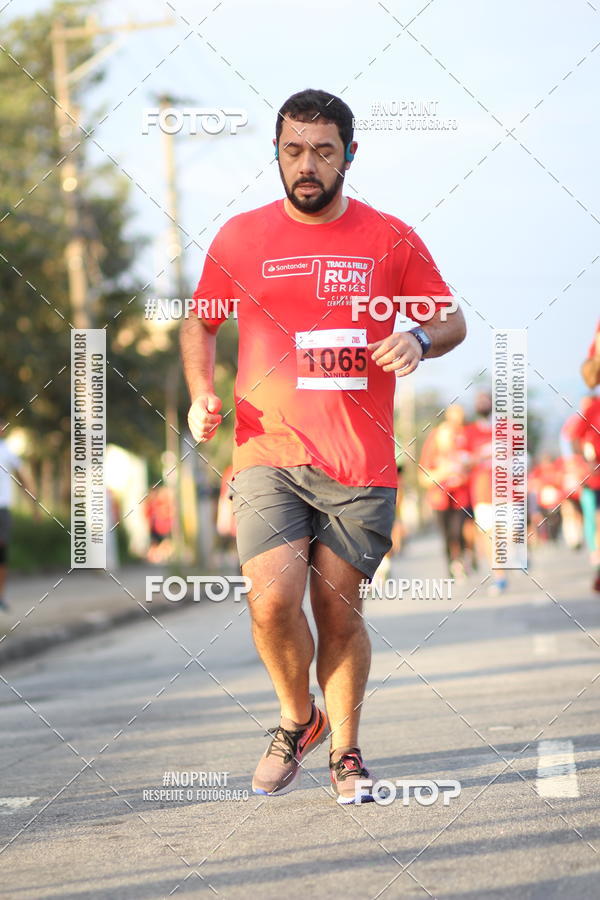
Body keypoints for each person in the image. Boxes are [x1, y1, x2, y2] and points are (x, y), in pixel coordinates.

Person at [181, 89, 466, 803]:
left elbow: (451, 318)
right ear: (276, 154)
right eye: (293, 151)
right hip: (267, 452)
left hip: (359, 462)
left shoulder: (390, 238)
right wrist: (200, 391)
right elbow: (201, 323)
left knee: (339, 612)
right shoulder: (241, 238)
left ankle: (347, 750)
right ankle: (295, 716)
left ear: (349, 155)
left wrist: (419, 337)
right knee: (271, 600)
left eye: (323, 151)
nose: (307, 165)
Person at [418, 405, 472, 577]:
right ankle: (451, 563)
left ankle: (462, 558)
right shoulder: (434, 440)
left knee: (459, 530)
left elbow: (474, 460)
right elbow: (424, 472)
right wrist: (443, 472)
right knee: (447, 533)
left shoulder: (466, 436)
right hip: (440, 496)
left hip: (462, 495)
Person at [464, 392, 508, 595]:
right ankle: (499, 575)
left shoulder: (504, 427)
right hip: (482, 491)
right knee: (489, 533)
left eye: (485, 400)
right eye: (478, 401)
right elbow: (464, 461)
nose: (481, 403)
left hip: (506, 489)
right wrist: (481, 456)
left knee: (507, 532)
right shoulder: (469, 432)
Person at [0, 419, 36, 611]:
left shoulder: (7, 451)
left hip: (2, 508)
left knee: (2, 551)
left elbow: (23, 477)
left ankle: (1, 595)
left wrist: (34, 505)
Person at [569, 395, 600, 591]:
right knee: (595, 518)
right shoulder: (593, 409)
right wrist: (586, 462)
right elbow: (574, 438)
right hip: (595, 478)